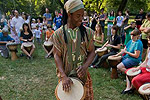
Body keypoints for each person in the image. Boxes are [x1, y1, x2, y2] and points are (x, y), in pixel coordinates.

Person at [51, 0, 95, 99]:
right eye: (78, 16)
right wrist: (63, 76)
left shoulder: (87, 33)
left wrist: (85, 66)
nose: (82, 19)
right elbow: (57, 55)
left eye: (82, 15)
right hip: (66, 78)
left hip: (83, 77)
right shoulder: (58, 34)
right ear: (69, 15)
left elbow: (92, 51)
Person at [115, 29, 143, 94]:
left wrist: (126, 52)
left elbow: (136, 56)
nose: (132, 36)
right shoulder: (130, 41)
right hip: (127, 57)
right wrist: (116, 55)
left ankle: (130, 74)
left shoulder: (138, 43)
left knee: (119, 66)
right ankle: (129, 74)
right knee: (116, 60)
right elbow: (123, 50)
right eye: (131, 35)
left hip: (134, 59)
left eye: (134, 35)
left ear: (138, 36)